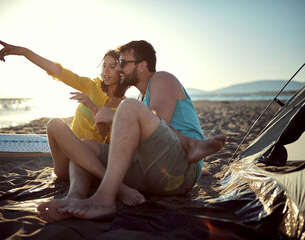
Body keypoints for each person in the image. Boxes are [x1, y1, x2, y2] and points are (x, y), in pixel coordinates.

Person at [38, 40, 227, 220]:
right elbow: (132, 142)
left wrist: (115, 116)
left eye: (122, 63)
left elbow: (159, 120)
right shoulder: (139, 99)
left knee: (127, 108)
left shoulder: (162, 79)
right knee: (85, 147)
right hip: (149, 171)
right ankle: (75, 196)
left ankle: (104, 200)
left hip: (179, 167)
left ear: (142, 66)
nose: (118, 68)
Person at [0, 37, 145, 209]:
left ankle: (75, 200)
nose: (105, 71)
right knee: (54, 124)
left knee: (84, 156)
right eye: (104, 66)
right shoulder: (90, 86)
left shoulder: (124, 106)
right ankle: (120, 188)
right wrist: (24, 52)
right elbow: (57, 70)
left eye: (112, 66)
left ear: (121, 70)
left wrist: (93, 107)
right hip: (66, 164)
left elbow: (107, 140)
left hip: (91, 164)